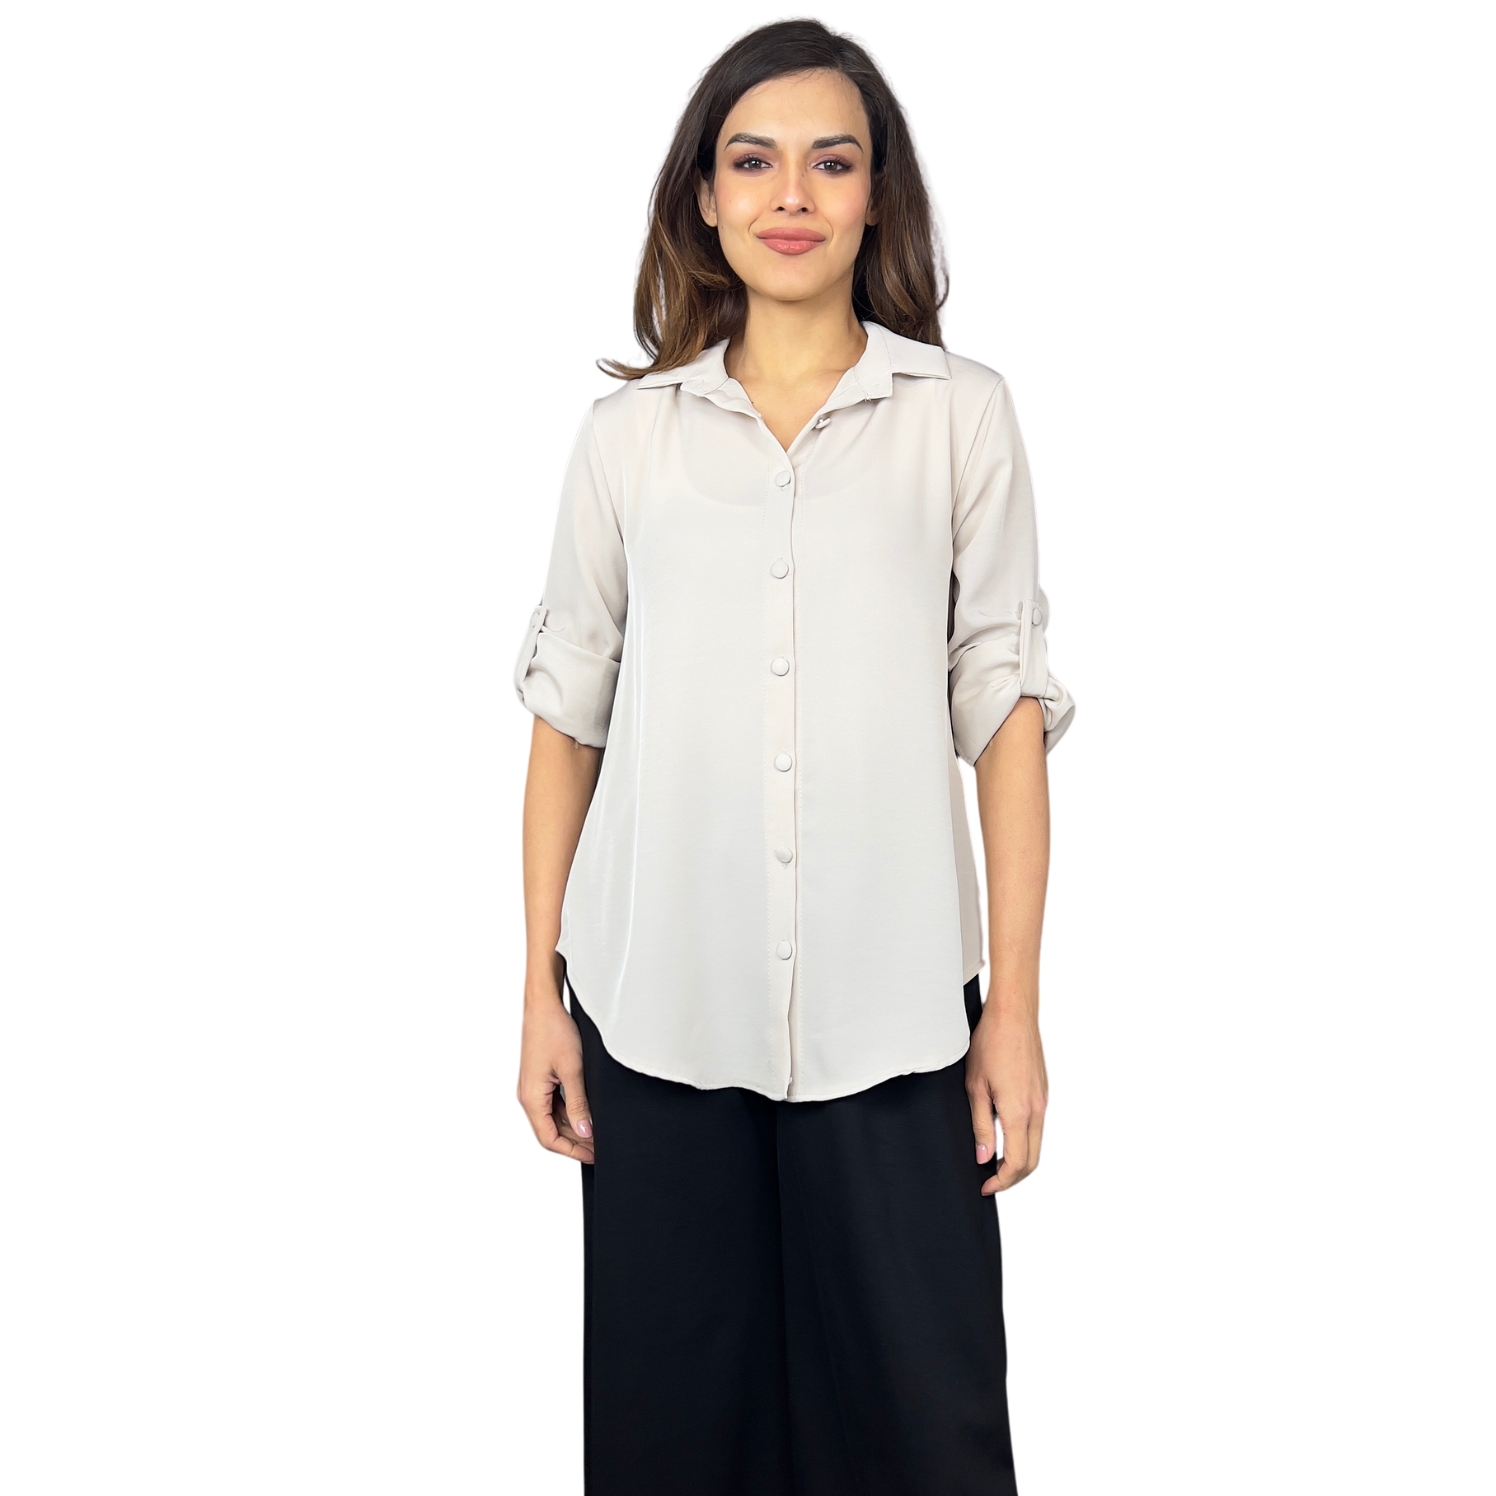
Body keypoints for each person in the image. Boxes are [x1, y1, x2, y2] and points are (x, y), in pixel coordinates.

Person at [513, 19, 1074, 1495]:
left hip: (897, 1022)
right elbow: (567, 718)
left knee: (929, 1434)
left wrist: (1013, 1012)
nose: (792, 194)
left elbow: (1005, 713)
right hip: (657, 1015)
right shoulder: (626, 439)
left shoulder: (961, 419)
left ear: (877, 197)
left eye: (832, 161)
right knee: (674, 1442)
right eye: (753, 161)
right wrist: (540, 995)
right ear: (704, 195)